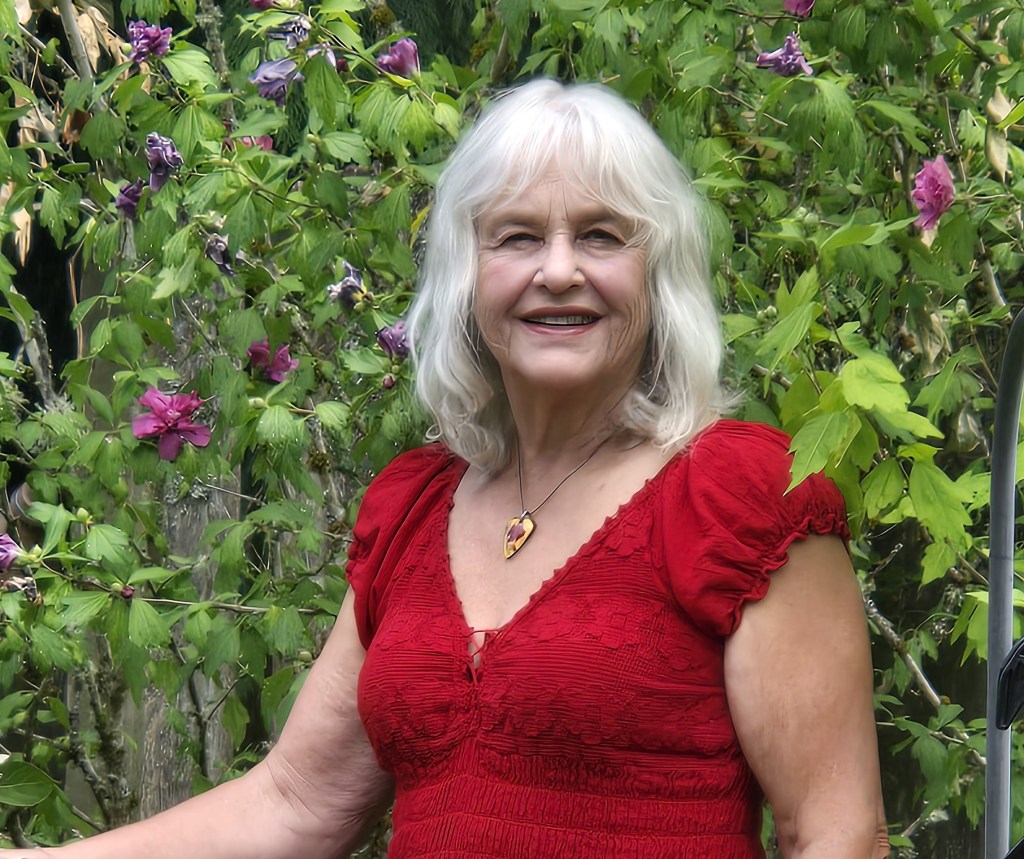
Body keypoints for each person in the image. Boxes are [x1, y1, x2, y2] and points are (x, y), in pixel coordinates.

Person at [2, 79, 887, 858]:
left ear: (658, 275)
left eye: (602, 236)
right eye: (517, 237)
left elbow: (838, 835)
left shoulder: (739, 497)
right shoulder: (416, 509)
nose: (558, 270)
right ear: (467, 274)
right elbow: (297, 801)